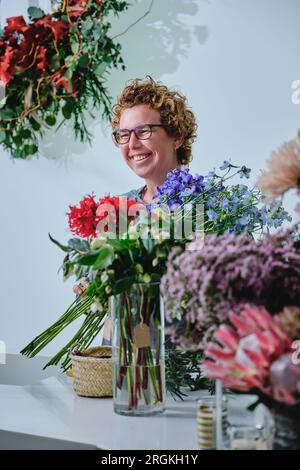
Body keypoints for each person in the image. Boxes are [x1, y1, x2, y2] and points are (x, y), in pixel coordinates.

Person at [73, 76, 197, 317]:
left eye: (143, 131)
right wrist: (90, 288)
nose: (132, 144)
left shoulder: (208, 209)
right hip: (121, 350)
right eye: (123, 135)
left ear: (177, 136)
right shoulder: (117, 208)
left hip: (187, 352)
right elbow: (96, 293)